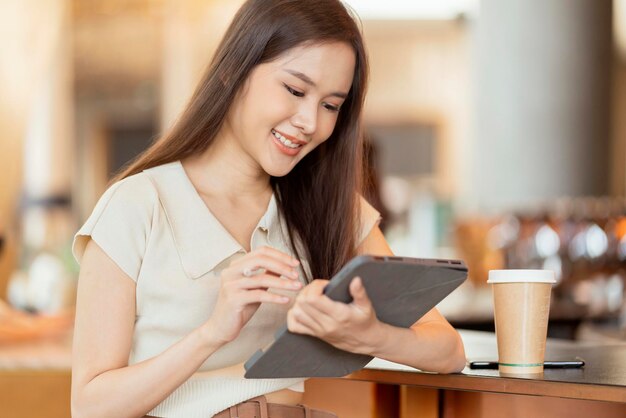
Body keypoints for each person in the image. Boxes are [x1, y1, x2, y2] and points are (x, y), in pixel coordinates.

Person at [70, 1, 467, 417]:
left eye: (330, 105)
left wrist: (370, 334)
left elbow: (448, 350)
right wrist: (211, 333)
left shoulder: (329, 206)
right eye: (295, 90)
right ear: (233, 70)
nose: (310, 122)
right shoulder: (137, 204)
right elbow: (90, 407)